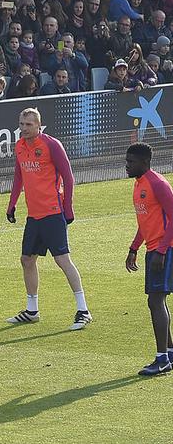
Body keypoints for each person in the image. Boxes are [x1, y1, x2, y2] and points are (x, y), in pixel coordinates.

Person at [5, 107, 91, 330]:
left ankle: (83, 310)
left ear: (38, 126)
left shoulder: (52, 145)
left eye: (28, 125)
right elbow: (18, 177)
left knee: (62, 260)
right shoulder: (20, 147)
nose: (24, 129)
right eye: (22, 124)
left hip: (53, 212)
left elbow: (69, 177)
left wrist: (68, 208)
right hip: (34, 215)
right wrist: (11, 204)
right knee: (27, 259)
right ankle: (32, 310)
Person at [123, 142, 173, 376]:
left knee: (155, 301)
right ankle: (170, 353)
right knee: (157, 300)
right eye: (127, 161)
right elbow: (146, 221)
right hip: (154, 249)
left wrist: (162, 250)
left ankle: (161, 359)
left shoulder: (157, 184)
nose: (127, 166)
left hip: (164, 249)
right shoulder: (139, 185)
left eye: (131, 162)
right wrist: (134, 247)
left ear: (145, 162)